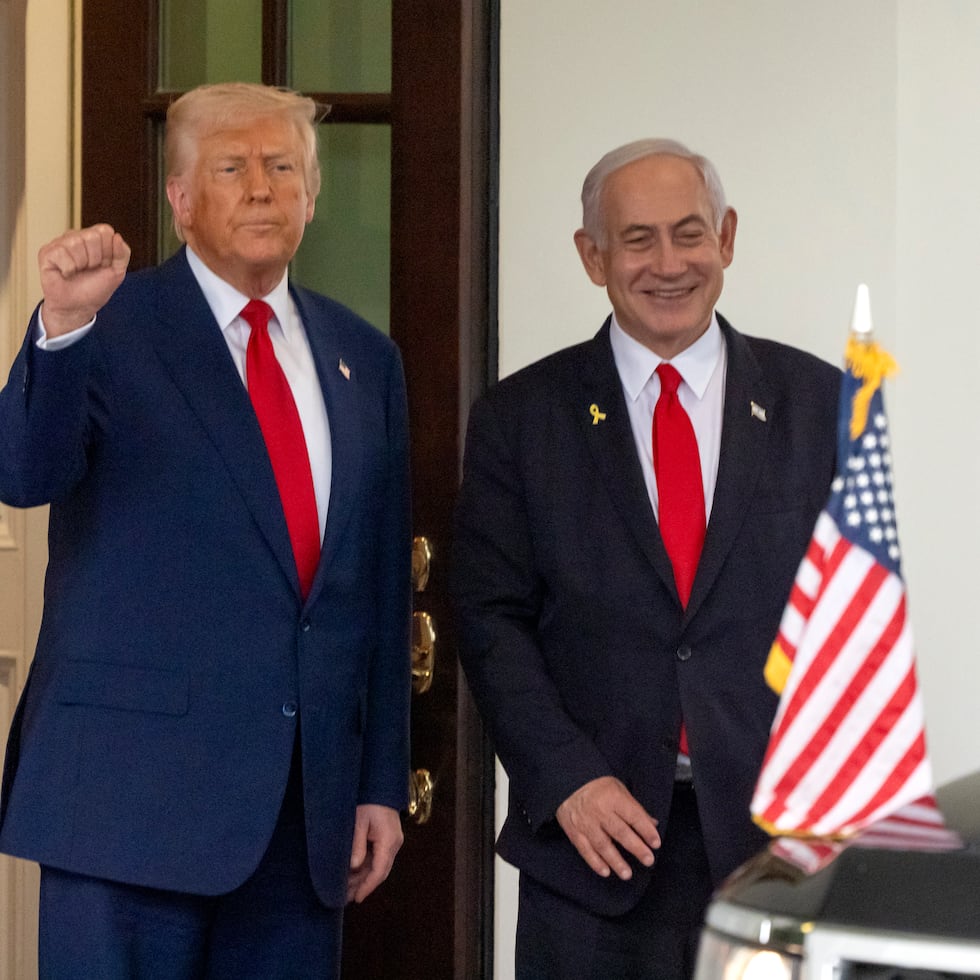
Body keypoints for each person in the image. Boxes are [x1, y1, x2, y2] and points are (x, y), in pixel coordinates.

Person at [0, 82, 411, 979]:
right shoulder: (107, 325)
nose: (263, 188)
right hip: (126, 809)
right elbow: (23, 474)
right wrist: (62, 326)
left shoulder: (364, 359)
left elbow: (375, 591)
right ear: (181, 201)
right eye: (232, 168)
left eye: (283, 168)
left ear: (311, 196)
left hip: (299, 821)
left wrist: (378, 782)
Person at [452, 139, 841, 979]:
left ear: (727, 238)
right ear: (592, 257)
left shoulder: (818, 404)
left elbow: (852, 615)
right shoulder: (520, 419)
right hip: (594, 851)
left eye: (689, 233)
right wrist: (566, 777)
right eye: (637, 240)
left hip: (778, 853)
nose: (668, 264)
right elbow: (489, 620)